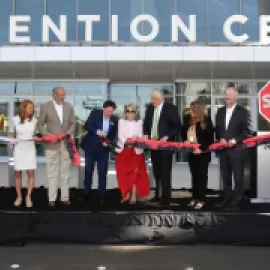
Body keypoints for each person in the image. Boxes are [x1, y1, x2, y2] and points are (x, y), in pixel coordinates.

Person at [37, 87, 76, 207]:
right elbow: (40, 125)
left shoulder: (69, 106)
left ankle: (65, 197)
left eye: (64, 95)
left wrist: (68, 133)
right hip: (51, 144)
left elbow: (73, 123)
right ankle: (52, 198)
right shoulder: (45, 106)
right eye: (60, 95)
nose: (63, 97)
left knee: (66, 172)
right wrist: (50, 136)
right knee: (52, 172)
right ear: (54, 95)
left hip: (66, 144)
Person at [215, 87, 252, 211]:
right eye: (226, 95)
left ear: (235, 97)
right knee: (225, 177)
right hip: (223, 150)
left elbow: (248, 131)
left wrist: (235, 140)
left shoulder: (243, 112)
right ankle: (226, 199)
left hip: (237, 150)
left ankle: (237, 202)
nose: (227, 97)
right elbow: (218, 129)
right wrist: (220, 138)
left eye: (229, 95)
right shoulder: (219, 111)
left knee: (238, 178)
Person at [143, 89, 181, 206]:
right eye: (152, 98)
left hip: (165, 147)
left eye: (155, 99)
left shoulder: (171, 108)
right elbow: (146, 124)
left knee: (165, 173)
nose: (152, 101)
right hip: (154, 146)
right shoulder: (150, 108)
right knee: (157, 173)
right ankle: (157, 195)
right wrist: (145, 134)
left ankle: (166, 199)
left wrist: (167, 136)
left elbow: (177, 126)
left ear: (162, 99)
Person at [82, 100, 117, 204]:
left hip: (104, 150)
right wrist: (97, 132)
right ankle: (86, 194)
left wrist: (108, 141)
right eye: (107, 111)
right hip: (91, 148)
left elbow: (112, 134)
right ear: (103, 109)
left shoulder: (115, 119)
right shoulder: (95, 113)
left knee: (102, 173)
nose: (109, 114)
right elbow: (87, 125)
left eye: (111, 112)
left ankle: (101, 195)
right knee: (88, 172)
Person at [182, 100, 214, 210]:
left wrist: (200, 148)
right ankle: (194, 198)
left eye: (192, 110)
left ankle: (201, 199)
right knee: (194, 176)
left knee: (201, 177)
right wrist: (185, 141)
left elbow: (210, 139)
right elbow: (183, 134)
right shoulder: (187, 119)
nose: (190, 112)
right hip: (191, 154)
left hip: (203, 154)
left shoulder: (207, 120)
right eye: (190, 109)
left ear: (198, 110)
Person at [115, 104, 150, 204]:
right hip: (124, 150)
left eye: (132, 111)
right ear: (125, 112)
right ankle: (126, 195)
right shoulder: (121, 121)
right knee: (123, 173)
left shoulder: (139, 122)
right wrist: (127, 142)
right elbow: (120, 135)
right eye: (128, 111)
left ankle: (134, 196)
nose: (130, 113)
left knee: (135, 173)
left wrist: (135, 139)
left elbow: (140, 135)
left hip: (136, 151)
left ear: (136, 113)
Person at [10, 100, 37, 208]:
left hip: (30, 149)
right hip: (19, 148)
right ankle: (19, 197)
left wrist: (36, 137)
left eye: (32, 107)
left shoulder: (34, 120)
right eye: (29, 107)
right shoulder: (15, 119)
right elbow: (12, 132)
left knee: (30, 173)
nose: (32, 109)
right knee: (18, 174)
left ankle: (28, 197)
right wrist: (11, 138)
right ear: (23, 108)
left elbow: (36, 134)